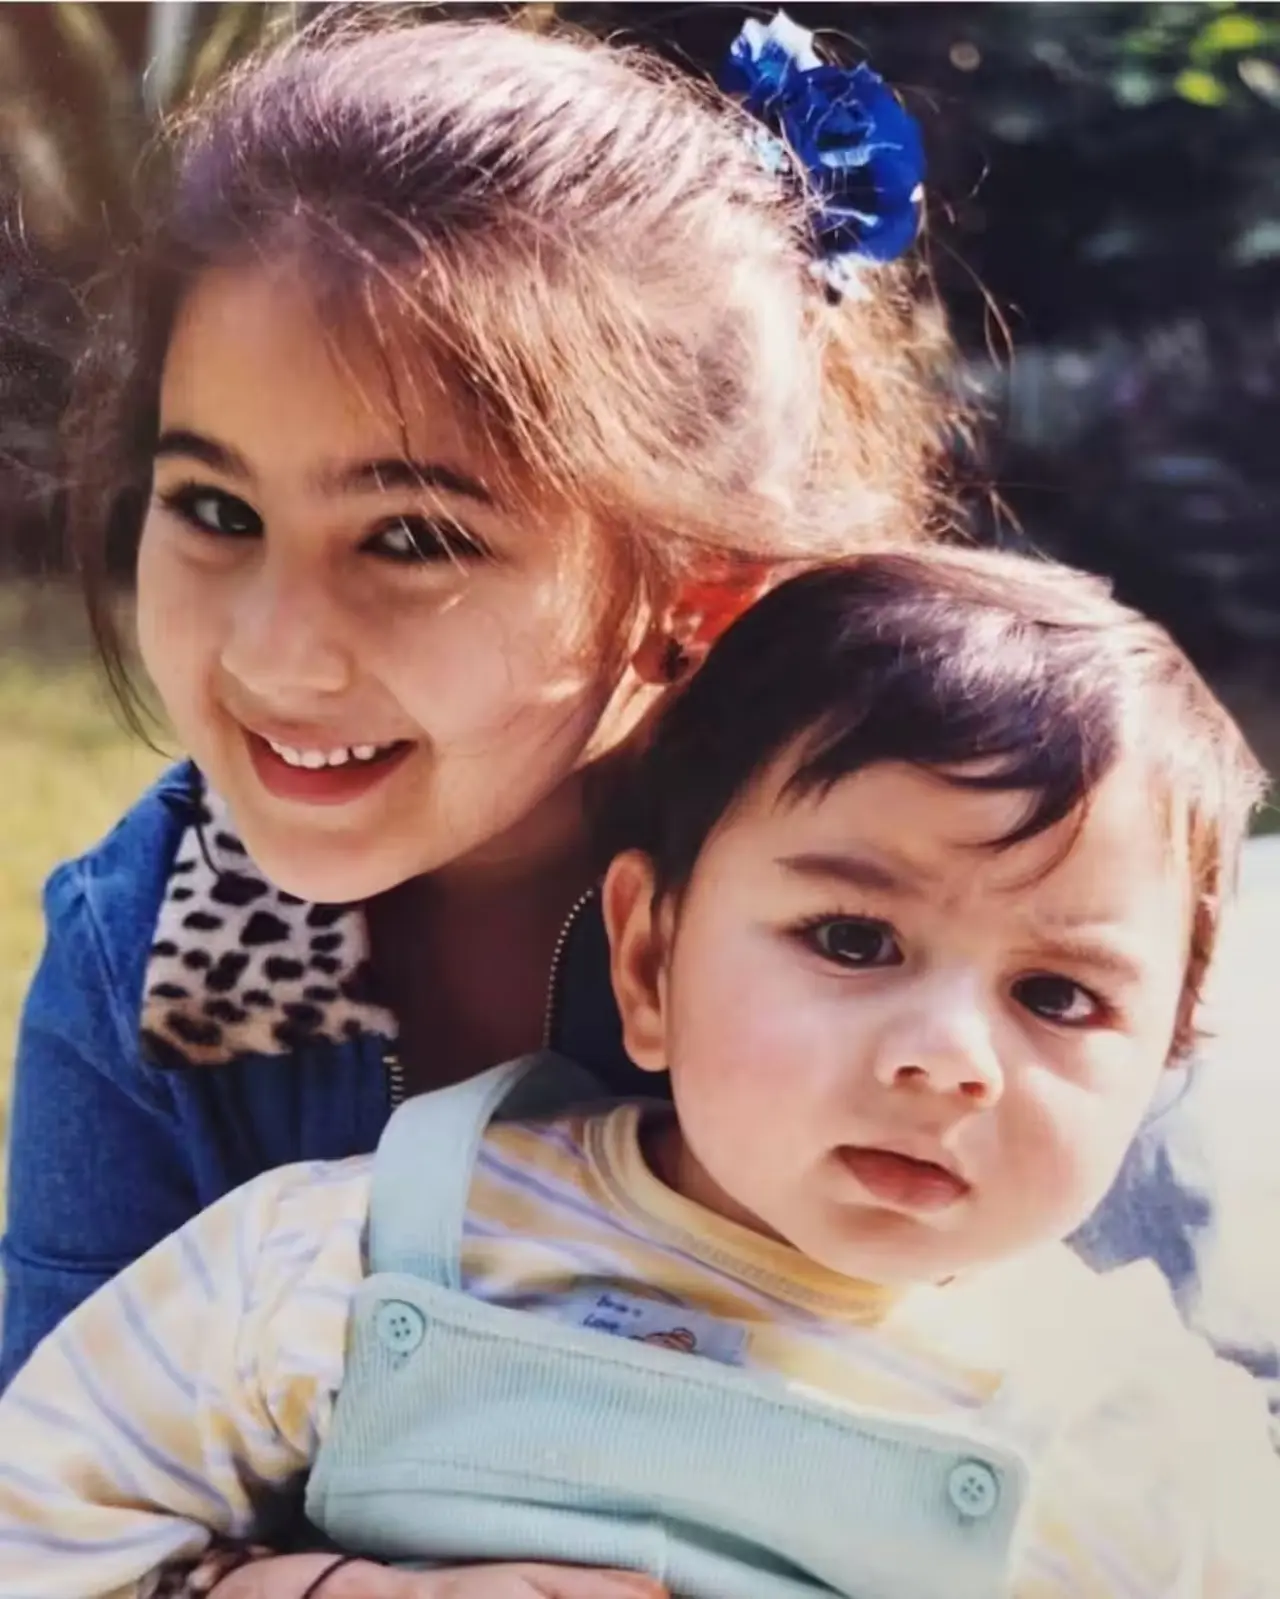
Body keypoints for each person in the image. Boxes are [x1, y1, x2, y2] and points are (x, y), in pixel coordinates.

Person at [2, 547, 1277, 1599]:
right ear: (650, 959)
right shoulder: (358, 1254)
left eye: (1055, 996)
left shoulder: (1143, 1456)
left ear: (1165, 1049)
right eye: (851, 939)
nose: (946, 1060)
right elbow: (41, 1526)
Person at [0, 4, 955, 1393]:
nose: (277, 652)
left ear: (700, 591)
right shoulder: (144, 953)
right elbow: (46, 1486)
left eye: (411, 537)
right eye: (214, 505)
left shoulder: (902, 923)